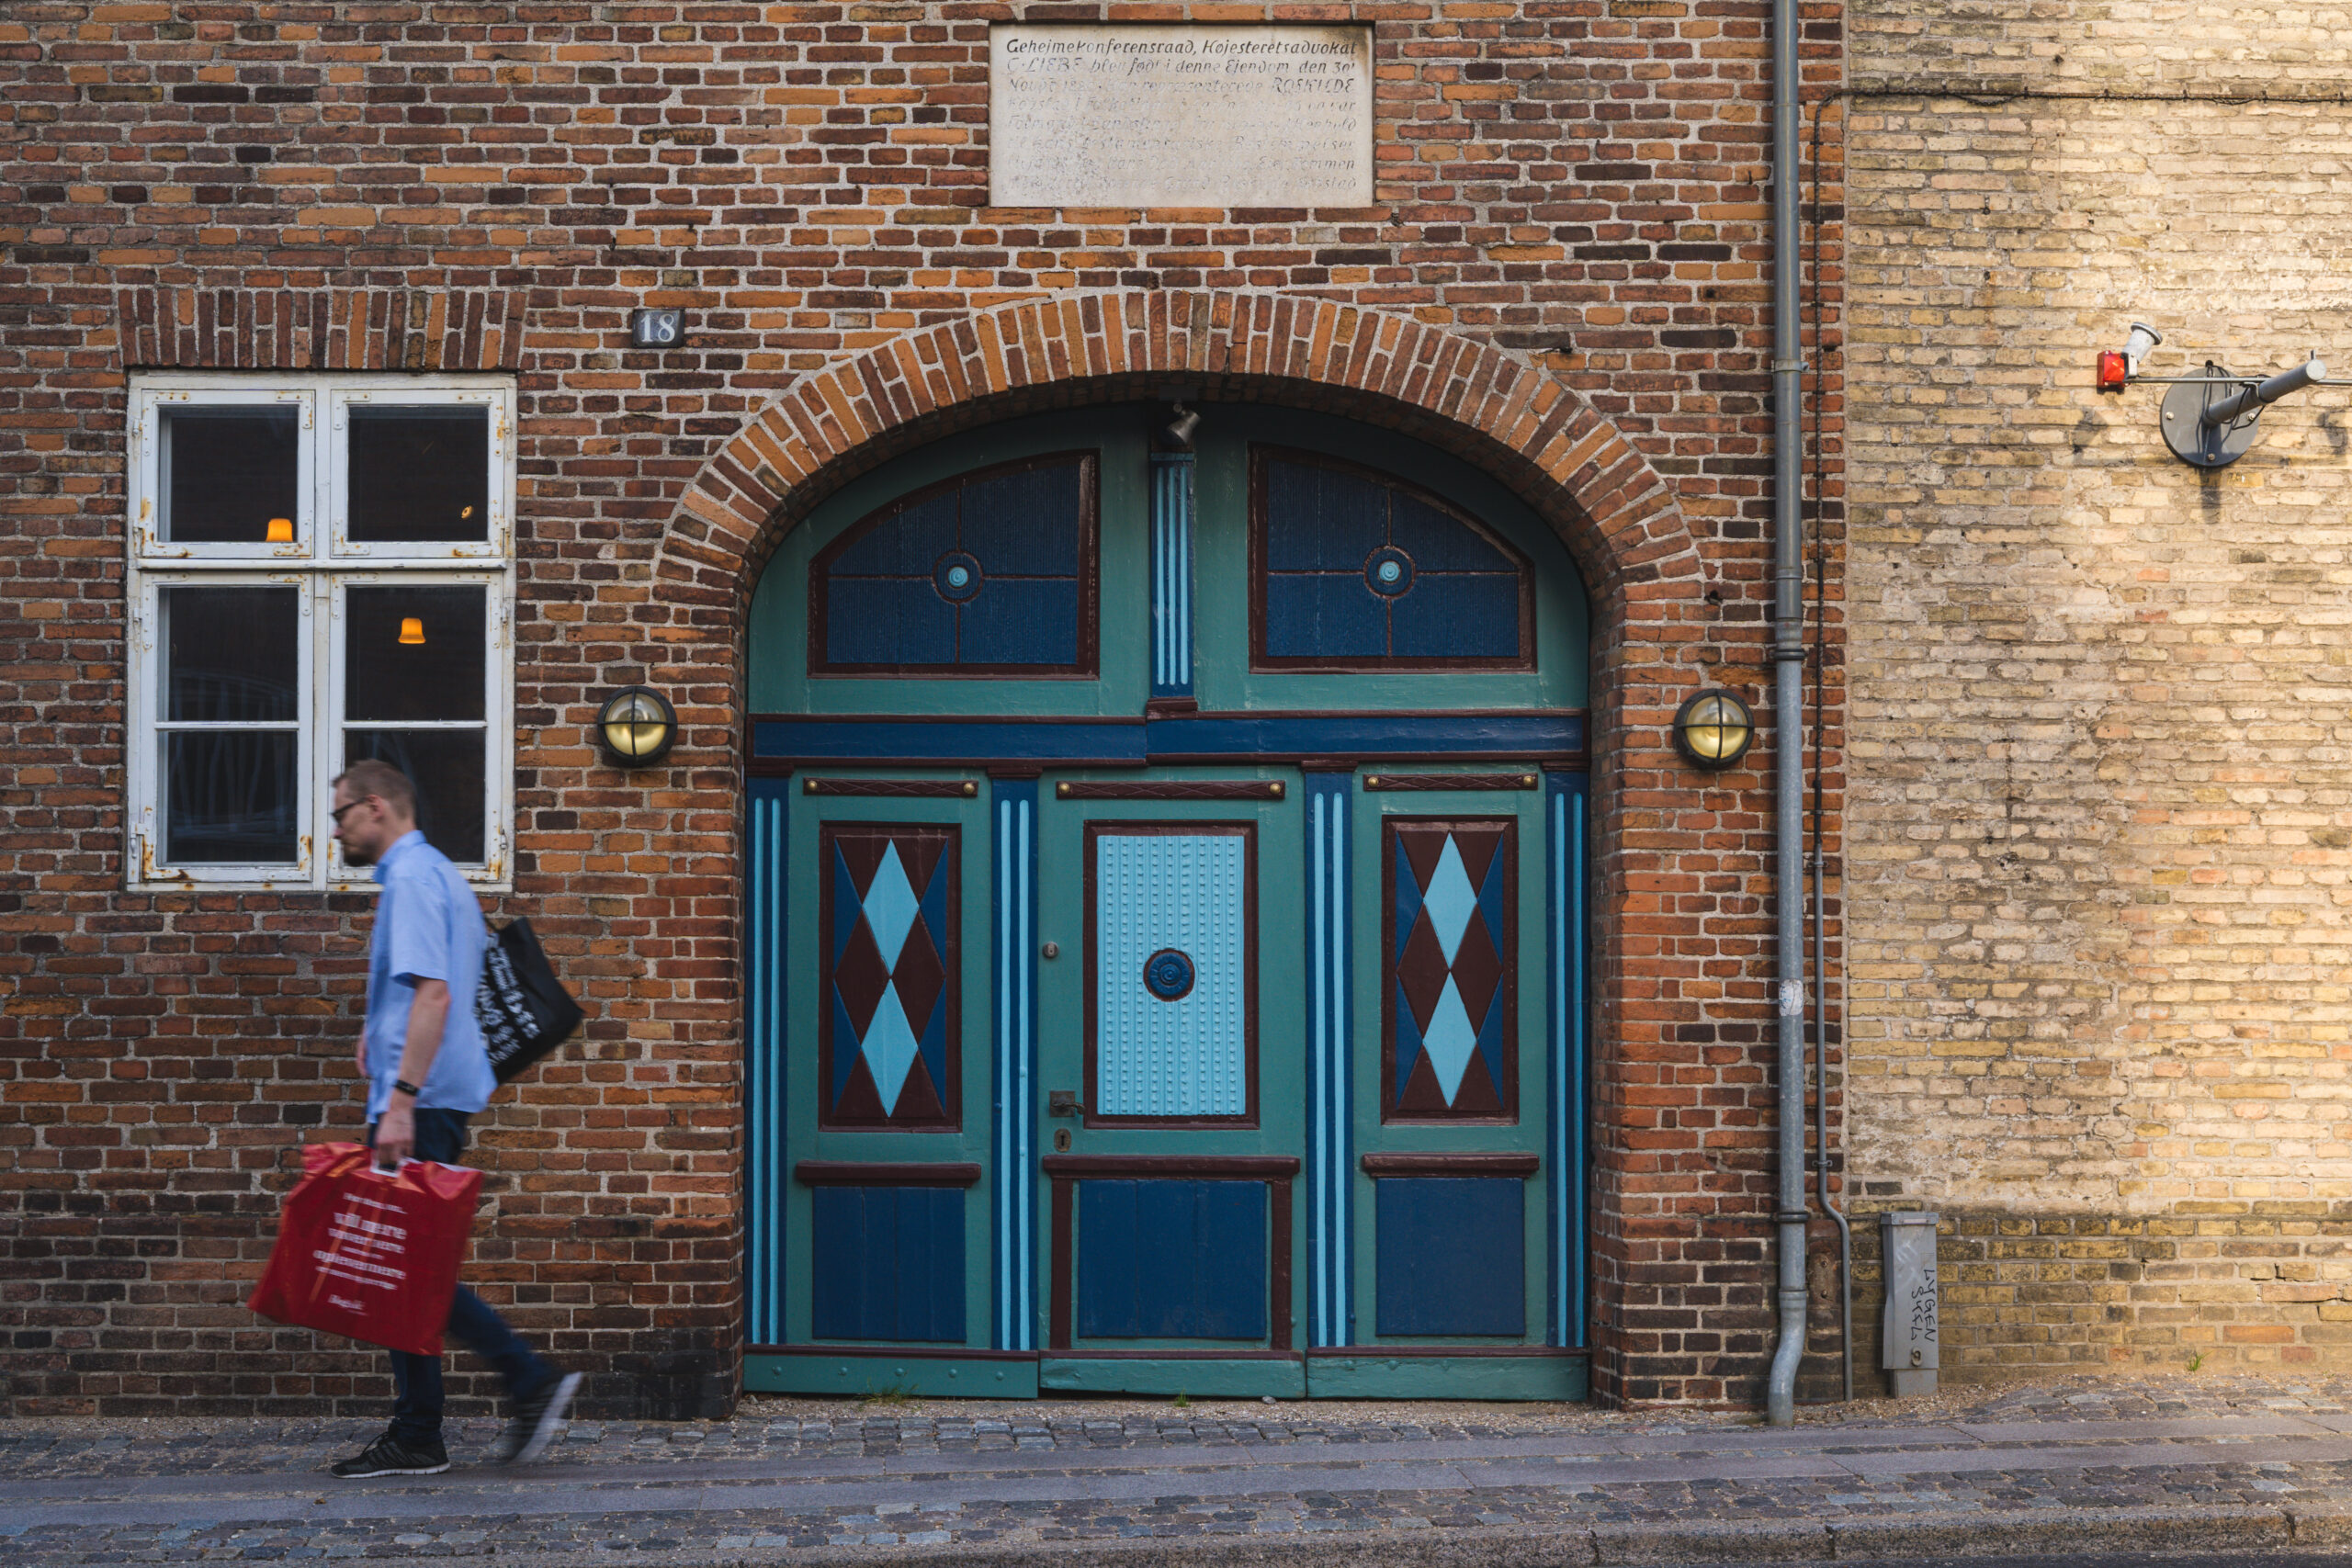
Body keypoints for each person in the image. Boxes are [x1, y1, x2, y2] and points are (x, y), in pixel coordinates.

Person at [324, 759, 581, 1478]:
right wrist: (377, 1035)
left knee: (409, 1263)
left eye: (341, 812)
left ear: (376, 807)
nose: (336, 827)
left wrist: (400, 1096)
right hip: (435, 1091)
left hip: (421, 1100)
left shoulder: (408, 879)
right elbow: (435, 990)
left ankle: (518, 1378)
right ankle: (420, 1428)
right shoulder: (441, 874)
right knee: (407, 1266)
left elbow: (435, 994)